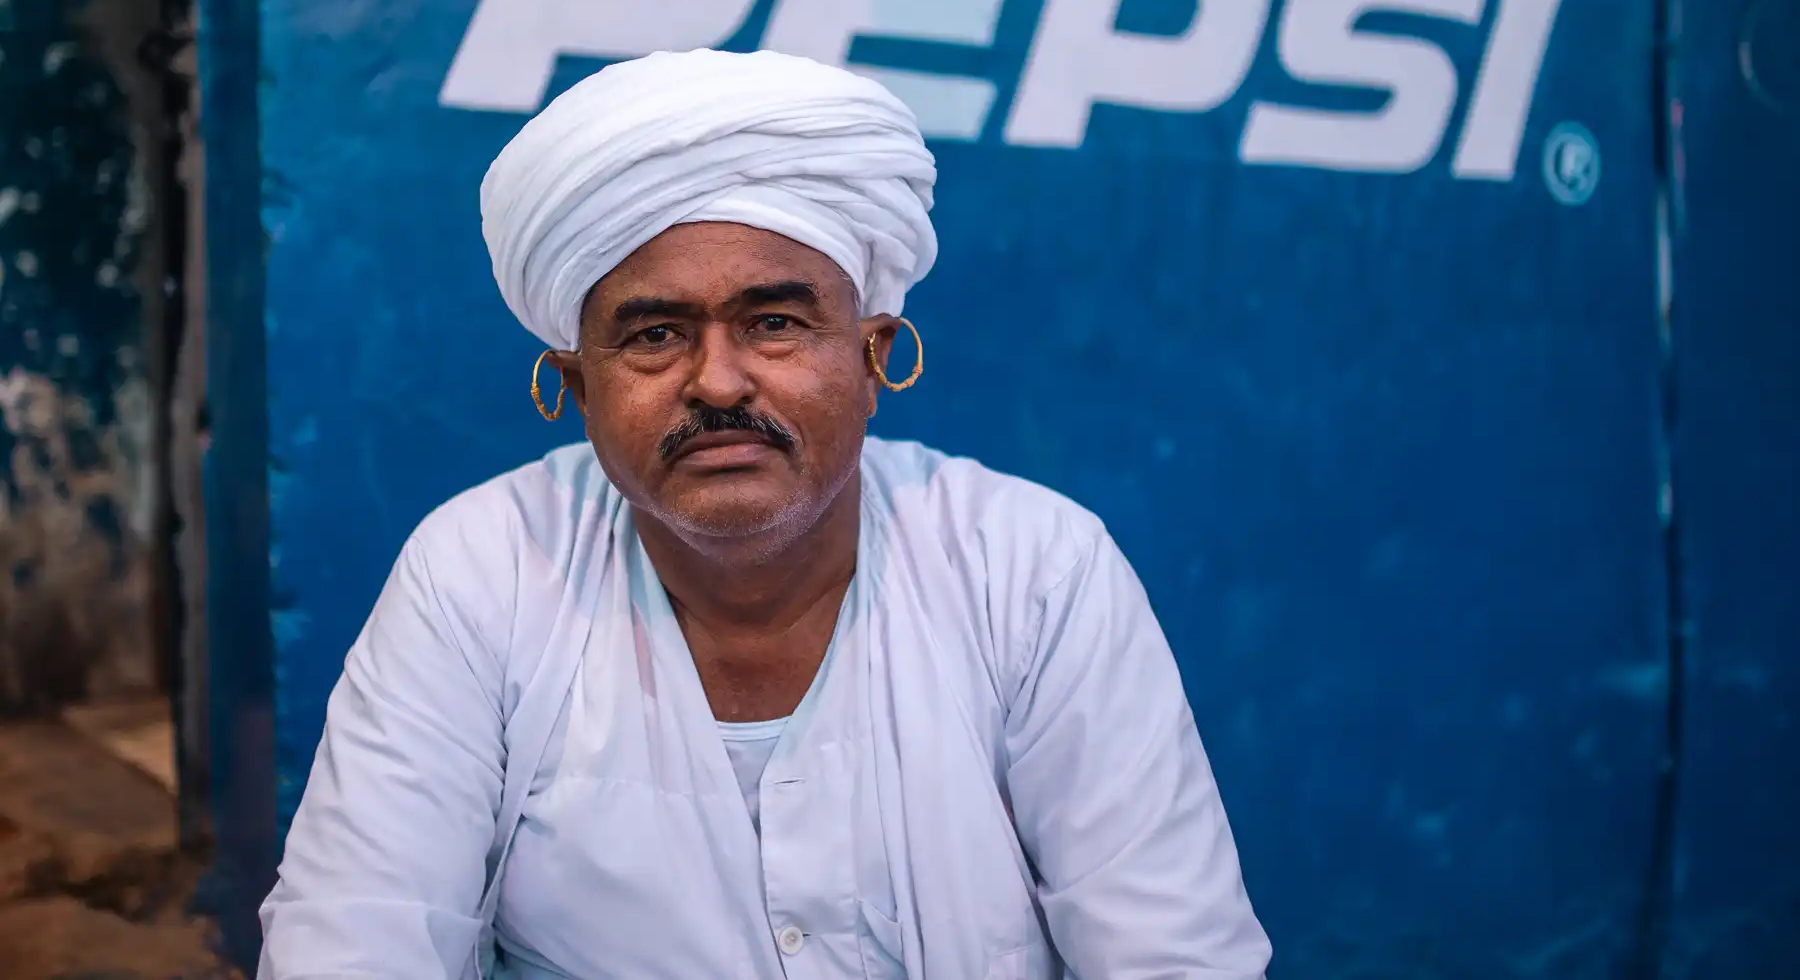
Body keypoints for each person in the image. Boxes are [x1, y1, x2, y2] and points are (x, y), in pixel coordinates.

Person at [257, 49, 1271, 979]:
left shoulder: (1032, 569)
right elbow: (355, 937)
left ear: (873, 357)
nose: (719, 382)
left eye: (775, 322)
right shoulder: (484, 571)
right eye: (655, 335)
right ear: (575, 386)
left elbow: (1174, 956)